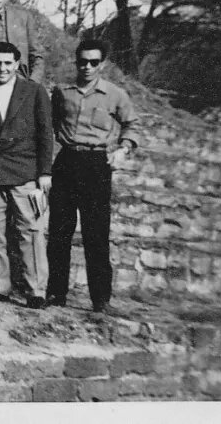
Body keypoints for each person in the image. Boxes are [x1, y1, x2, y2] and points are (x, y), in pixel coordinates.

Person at [46, 39, 139, 314]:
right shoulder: (62, 92)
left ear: (103, 64)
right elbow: (51, 124)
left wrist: (123, 149)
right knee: (59, 231)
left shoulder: (115, 94)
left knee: (95, 233)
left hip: (96, 165)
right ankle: (56, 293)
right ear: (76, 62)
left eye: (93, 62)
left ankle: (101, 299)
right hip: (67, 161)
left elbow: (132, 124)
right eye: (82, 61)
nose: (87, 67)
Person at [0, 41, 53, 309]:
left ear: (17, 65)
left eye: (7, 63)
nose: (2, 68)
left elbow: (45, 133)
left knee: (31, 231)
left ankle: (36, 289)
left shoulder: (35, 92)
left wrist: (45, 172)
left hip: (25, 172)